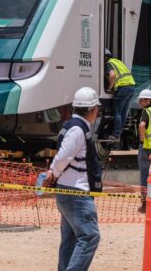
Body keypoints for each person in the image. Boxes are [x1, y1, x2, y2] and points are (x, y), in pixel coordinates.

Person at [44, 87, 103, 271]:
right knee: (89, 236)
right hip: (76, 193)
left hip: (67, 191)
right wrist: (52, 172)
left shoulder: (71, 126)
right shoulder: (78, 130)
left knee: (70, 238)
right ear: (93, 110)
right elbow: (63, 156)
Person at [104, 49, 136, 141]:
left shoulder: (108, 64)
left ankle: (116, 134)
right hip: (131, 87)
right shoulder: (117, 61)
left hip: (122, 88)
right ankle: (119, 133)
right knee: (123, 112)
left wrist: (110, 87)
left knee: (117, 111)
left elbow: (112, 75)